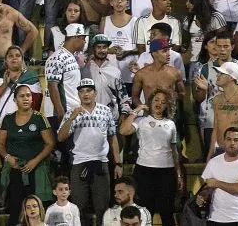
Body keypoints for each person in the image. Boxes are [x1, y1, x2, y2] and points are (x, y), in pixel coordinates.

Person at [56, 78, 121, 220]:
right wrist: (71, 118)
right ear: (78, 94)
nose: (85, 94)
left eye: (89, 90)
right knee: (79, 208)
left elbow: (113, 138)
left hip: (100, 162)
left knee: (103, 207)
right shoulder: (72, 113)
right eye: (82, 91)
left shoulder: (105, 111)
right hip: (79, 163)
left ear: (95, 93)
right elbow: (60, 137)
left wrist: (118, 163)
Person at [0, 83, 56, 226]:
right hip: (15, 170)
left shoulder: (39, 118)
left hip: (35, 170)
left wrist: (35, 161)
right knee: (15, 208)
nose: (26, 98)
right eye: (22, 96)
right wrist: (7, 157)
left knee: (37, 207)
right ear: (15, 100)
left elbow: (50, 143)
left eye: (28, 95)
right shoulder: (8, 119)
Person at [118, 89, 179, 226]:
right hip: (145, 170)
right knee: (145, 210)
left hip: (166, 171)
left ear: (167, 106)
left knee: (167, 210)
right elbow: (123, 130)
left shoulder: (171, 124)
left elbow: (174, 150)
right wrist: (136, 111)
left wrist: (178, 172)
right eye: (156, 100)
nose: (159, 103)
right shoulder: (142, 121)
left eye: (163, 102)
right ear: (150, 102)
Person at [198, 127, 238, 225]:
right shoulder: (213, 162)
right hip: (214, 218)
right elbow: (208, 187)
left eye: (236, 140)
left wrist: (216, 183)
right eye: (229, 139)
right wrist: (203, 196)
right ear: (223, 141)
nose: (232, 143)